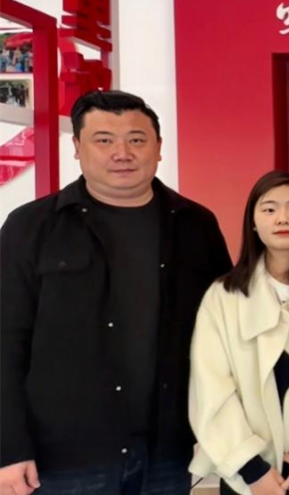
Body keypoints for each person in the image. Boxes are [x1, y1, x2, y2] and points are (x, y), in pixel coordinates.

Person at [0, 90, 232, 495]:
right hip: (64, 458)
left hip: (168, 452)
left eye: (136, 139)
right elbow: (5, 342)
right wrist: (9, 448)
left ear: (158, 147)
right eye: (104, 140)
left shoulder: (196, 226)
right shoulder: (31, 227)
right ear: (77, 147)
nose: (122, 153)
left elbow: (224, 334)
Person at [188, 171, 289, 495]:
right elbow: (210, 388)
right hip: (248, 481)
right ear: (253, 222)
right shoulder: (224, 296)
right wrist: (252, 470)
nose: (283, 218)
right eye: (269, 209)